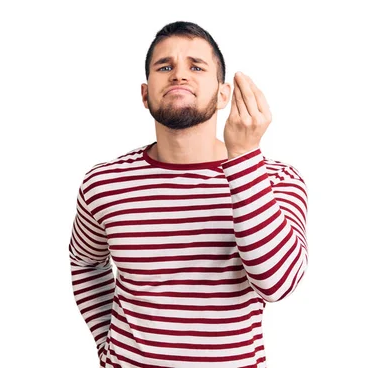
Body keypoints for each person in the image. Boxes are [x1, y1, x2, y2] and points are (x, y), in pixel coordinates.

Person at [69, 21, 308, 368]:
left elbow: (277, 284)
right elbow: (85, 262)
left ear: (223, 94)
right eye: (165, 66)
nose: (179, 75)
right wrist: (108, 344)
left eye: (196, 66)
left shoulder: (274, 179)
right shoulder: (104, 183)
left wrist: (243, 158)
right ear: (145, 93)